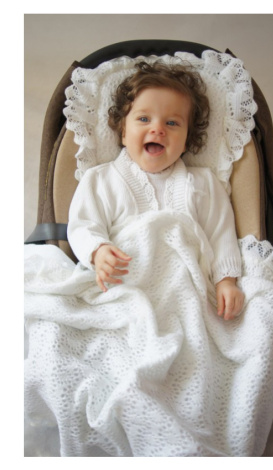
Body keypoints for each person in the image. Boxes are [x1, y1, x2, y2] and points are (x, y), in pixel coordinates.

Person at [67, 61, 244, 320]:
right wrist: (98, 251)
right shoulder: (100, 179)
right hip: (122, 289)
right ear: (123, 131)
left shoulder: (203, 183)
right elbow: (82, 224)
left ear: (187, 140)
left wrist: (226, 281)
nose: (158, 129)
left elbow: (221, 234)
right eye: (143, 119)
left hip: (185, 296)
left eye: (172, 123)